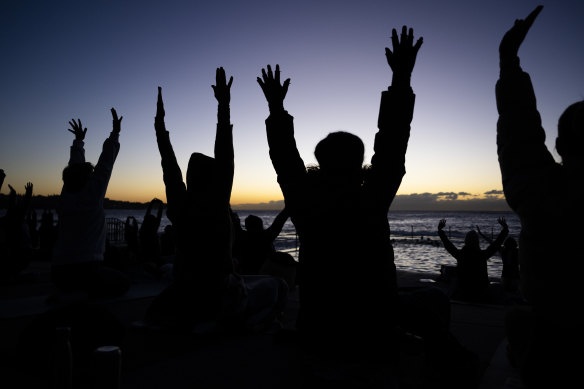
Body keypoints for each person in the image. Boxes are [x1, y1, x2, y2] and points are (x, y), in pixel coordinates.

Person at [257, 26, 428, 361]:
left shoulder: (307, 201)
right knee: (432, 300)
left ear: (320, 162)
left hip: (318, 330)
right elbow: (393, 145)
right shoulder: (371, 200)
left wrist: (276, 108)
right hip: (372, 332)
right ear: (361, 163)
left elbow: (285, 158)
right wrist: (401, 79)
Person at [145, 68, 287, 333]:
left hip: (184, 292)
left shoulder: (179, 204)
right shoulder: (217, 199)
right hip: (217, 294)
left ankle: (198, 320)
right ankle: (237, 323)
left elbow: (168, 163)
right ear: (214, 177)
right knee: (277, 285)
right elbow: (224, 151)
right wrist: (224, 105)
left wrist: (160, 126)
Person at [495, 5, 583, 387]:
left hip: (554, 335)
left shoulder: (543, 192)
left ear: (561, 143)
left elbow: (520, 132)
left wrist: (508, 60)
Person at [51, 109, 130, 299]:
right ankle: (82, 294)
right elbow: (105, 163)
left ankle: (73, 291)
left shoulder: (65, 197)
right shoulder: (92, 196)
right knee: (124, 283)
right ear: (87, 179)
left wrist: (78, 142)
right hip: (86, 270)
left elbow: (75, 167)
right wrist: (115, 133)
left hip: (58, 273)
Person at [437, 218, 509, 301]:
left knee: (453, 281)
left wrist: (440, 230)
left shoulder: (460, 255)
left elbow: (447, 244)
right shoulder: (482, 255)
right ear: (477, 241)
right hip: (481, 293)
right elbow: (496, 244)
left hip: (464, 292)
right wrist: (505, 230)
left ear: (466, 241)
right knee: (497, 287)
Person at [236, 208, 289, 275]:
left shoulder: (241, 236)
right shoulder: (265, 236)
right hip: (264, 274)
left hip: (246, 273)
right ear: (260, 225)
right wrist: (287, 209)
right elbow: (279, 221)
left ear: (246, 226)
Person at [1, 181, 34, 280]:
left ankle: (10, 270)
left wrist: (27, 195)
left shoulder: (13, 218)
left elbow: (23, 206)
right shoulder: (13, 218)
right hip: (21, 253)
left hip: (20, 254)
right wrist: (27, 194)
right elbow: (23, 205)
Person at [476, 224, 519, 293]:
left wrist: (481, 234)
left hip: (509, 275)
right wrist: (481, 234)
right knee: (512, 291)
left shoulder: (505, 250)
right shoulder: (515, 251)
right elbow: (492, 243)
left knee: (508, 291)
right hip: (510, 275)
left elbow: (492, 243)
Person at [138, 198, 164, 271]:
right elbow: (159, 214)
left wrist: (152, 203)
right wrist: (161, 205)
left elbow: (148, 212)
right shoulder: (154, 228)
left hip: (146, 249)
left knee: (147, 260)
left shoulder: (144, 229)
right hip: (154, 250)